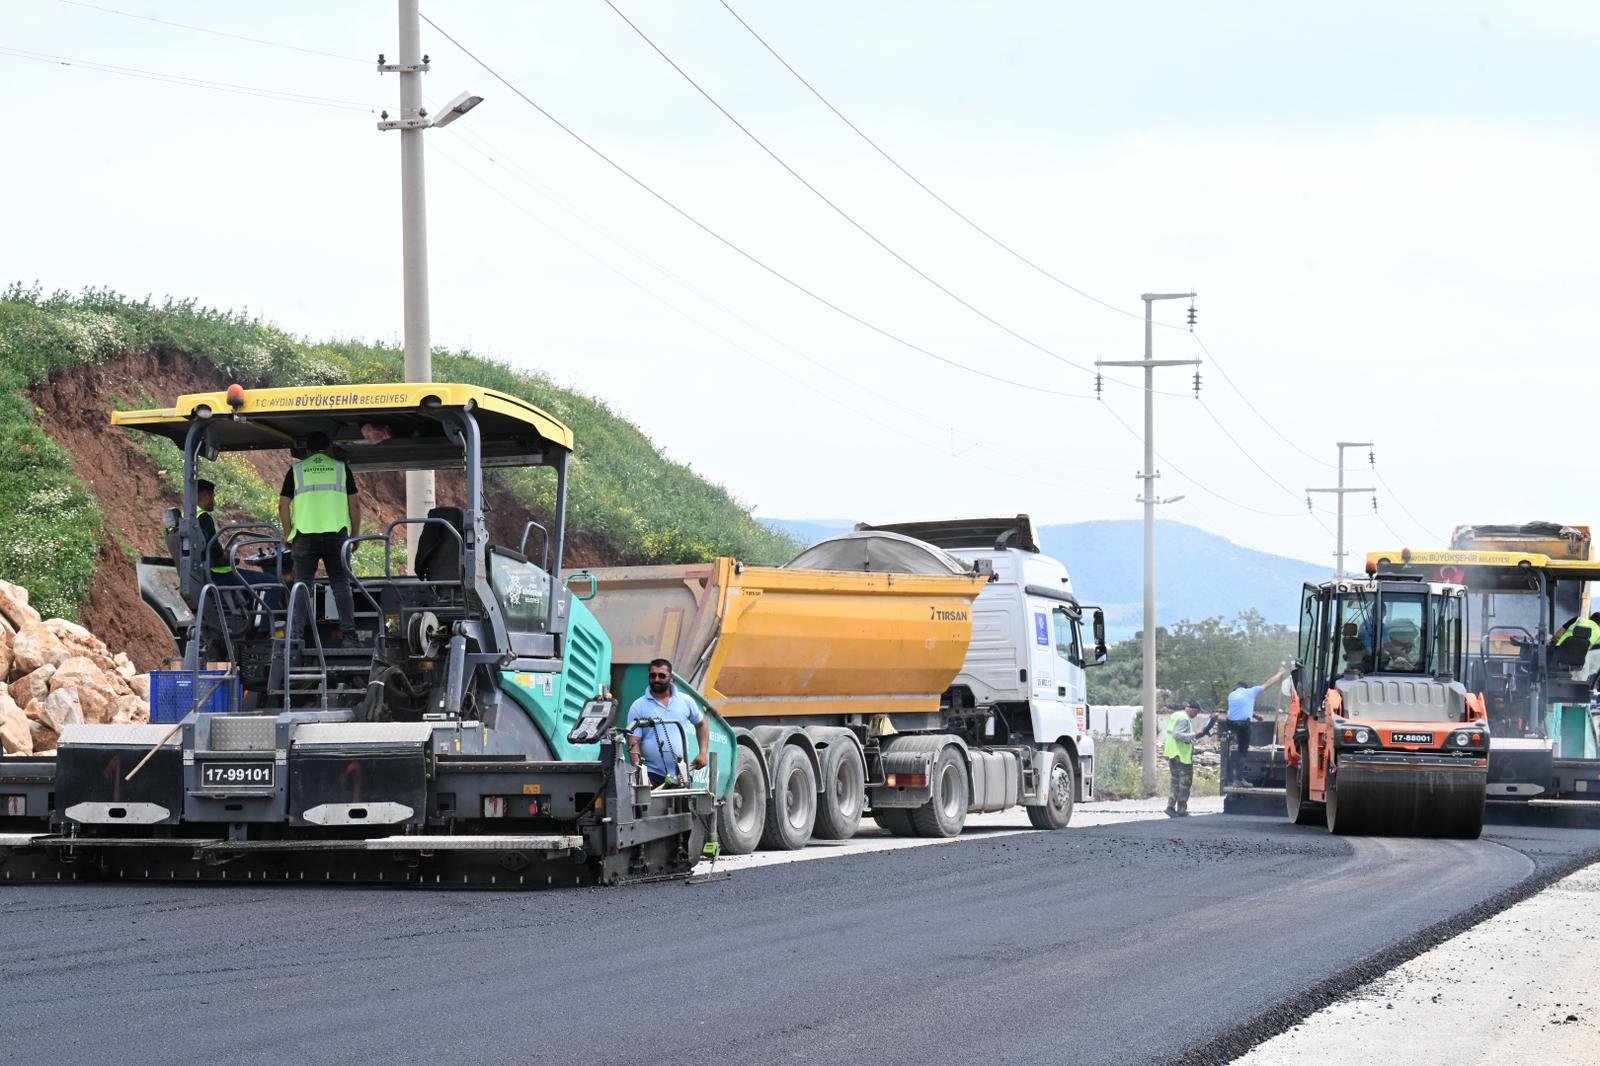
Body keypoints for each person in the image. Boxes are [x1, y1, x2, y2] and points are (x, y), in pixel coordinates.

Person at [278, 431, 360, 641]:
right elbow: (354, 504)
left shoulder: (296, 470)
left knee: (302, 583)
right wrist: (355, 533)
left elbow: (283, 504)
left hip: (304, 536)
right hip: (336, 535)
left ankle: (296, 635)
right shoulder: (341, 469)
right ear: (329, 448)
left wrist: (288, 533)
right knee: (340, 582)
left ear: (307, 450)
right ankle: (349, 633)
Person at [626, 658, 708, 787]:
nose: (656, 679)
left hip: (681, 774)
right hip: (652, 777)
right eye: (653, 675)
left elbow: (701, 724)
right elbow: (633, 742)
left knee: (684, 807)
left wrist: (703, 753)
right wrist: (641, 774)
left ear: (671, 677)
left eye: (662, 675)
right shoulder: (638, 706)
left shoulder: (686, 701)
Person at [1224, 665, 1288, 787]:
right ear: (1246, 687)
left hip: (1231, 723)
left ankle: (1233, 741)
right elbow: (1268, 683)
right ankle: (1239, 779)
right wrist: (1279, 673)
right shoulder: (1250, 691)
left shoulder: (1231, 695)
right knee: (1242, 751)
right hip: (1243, 725)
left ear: (1237, 688)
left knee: (1238, 743)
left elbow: (1239, 709)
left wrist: (1255, 716)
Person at [1163, 700, 1207, 817]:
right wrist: (1195, 734)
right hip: (1181, 755)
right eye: (1197, 712)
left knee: (1175, 782)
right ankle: (1181, 810)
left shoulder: (1176, 715)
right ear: (1193, 709)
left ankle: (1170, 807)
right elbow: (1177, 735)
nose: (1196, 715)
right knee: (1185, 783)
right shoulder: (1184, 719)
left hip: (1172, 753)